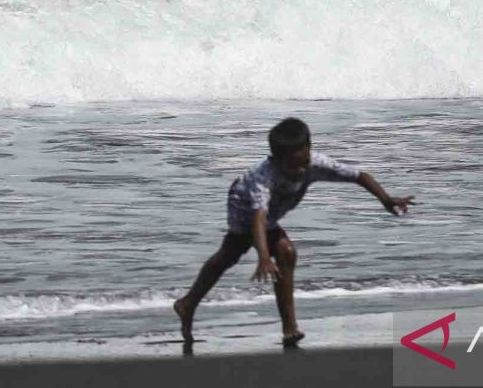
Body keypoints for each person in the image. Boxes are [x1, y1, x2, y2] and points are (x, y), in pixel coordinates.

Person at [173, 116, 414, 349]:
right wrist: (264, 258)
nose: (300, 170)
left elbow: (359, 176)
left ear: (309, 149)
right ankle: (190, 304)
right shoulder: (263, 178)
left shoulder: (315, 163)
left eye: (304, 161)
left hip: (269, 214)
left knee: (276, 253)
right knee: (237, 254)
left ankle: (284, 326)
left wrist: (385, 199)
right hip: (243, 204)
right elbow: (258, 218)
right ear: (276, 160)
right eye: (292, 165)